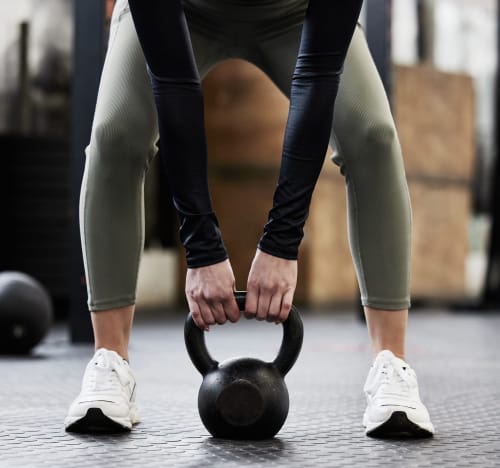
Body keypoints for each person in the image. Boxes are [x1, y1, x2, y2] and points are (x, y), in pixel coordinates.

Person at [65, 0, 434, 438]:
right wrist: (201, 246)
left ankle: (390, 364)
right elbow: (172, 81)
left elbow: (316, 77)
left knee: (373, 135)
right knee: (116, 134)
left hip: (296, 11)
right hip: (183, 9)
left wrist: (282, 241)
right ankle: (110, 363)